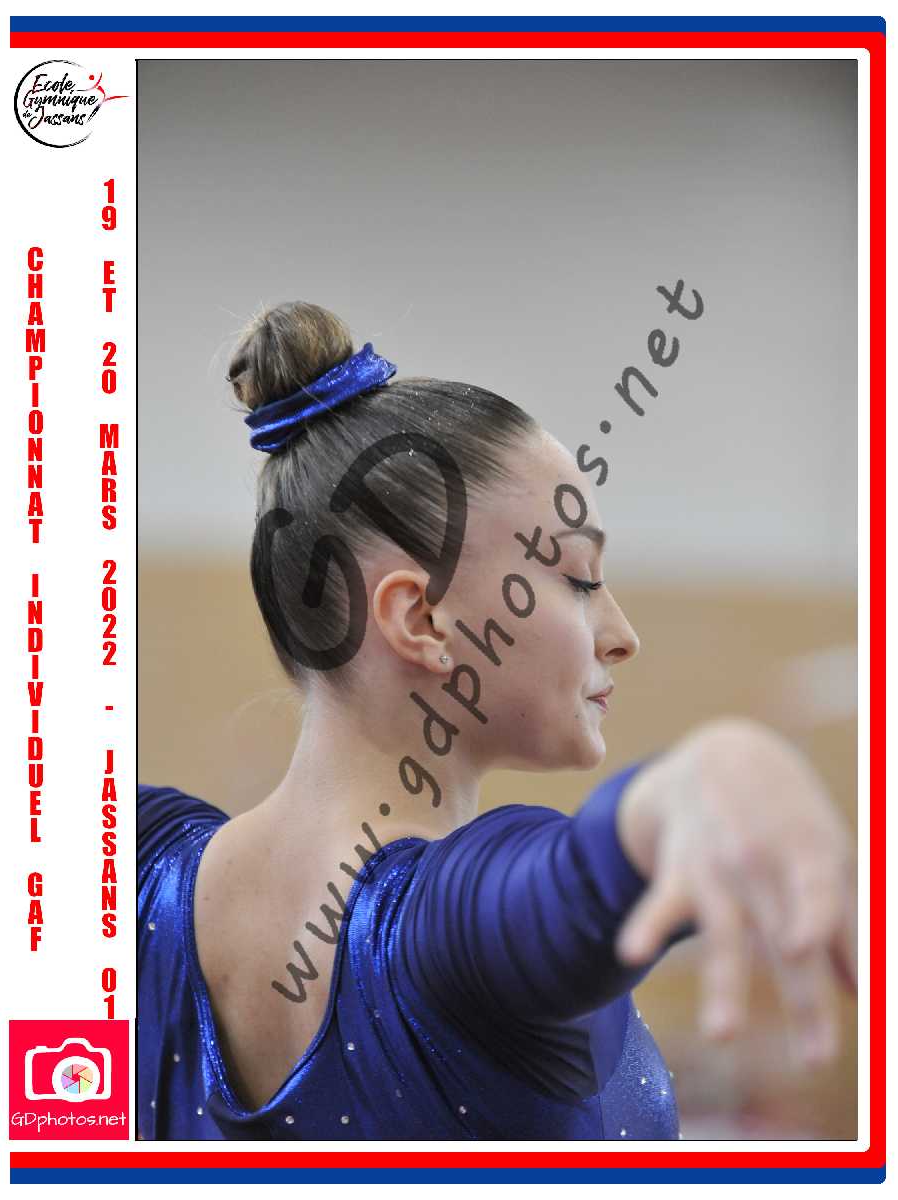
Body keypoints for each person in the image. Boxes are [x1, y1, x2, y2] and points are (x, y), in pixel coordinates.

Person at [137, 301, 857, 1140]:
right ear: (421, 620)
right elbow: (566, 887)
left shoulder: (137, 873)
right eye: (580, 580)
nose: (622, 635)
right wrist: (708, 774)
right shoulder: (451, 932)